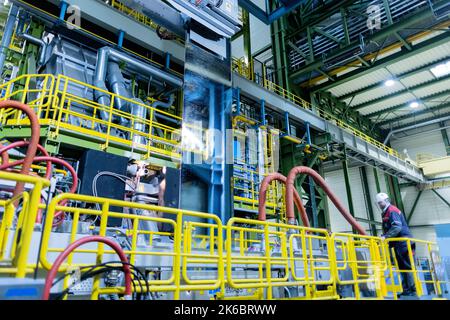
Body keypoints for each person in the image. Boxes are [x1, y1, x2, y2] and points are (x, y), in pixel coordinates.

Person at [376, 192, 417, 297]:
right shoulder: (386, 212)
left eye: (381, 202)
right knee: (402, 267)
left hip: (404, 242)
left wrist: (385, 236)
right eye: (378, 203)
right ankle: (407, 289)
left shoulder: (392, 211)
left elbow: (397, 227)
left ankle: (412, 290)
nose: (380, 205)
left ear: (386, 201)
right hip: (398, 243)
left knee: (406, 267)